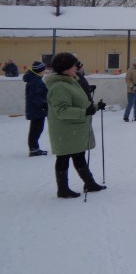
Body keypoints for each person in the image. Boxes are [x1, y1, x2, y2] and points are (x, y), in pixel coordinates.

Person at [45, 52, 107, 198]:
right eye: (73, 65)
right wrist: (85, 111)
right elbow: (61, 110)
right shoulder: (60, 86)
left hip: (73, 128)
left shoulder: (70, 81)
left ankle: (89, 183)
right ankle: (63, 189)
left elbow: (81, 103)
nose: (76, 67)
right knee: (63, 157)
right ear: (64, 68)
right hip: (65, 130)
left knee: (78, 156)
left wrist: (97, 106)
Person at [23, 61, 48, 156]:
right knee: (36, 130)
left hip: (37, 110)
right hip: (37, 110)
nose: (45, 71)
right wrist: (43, 104)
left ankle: (34, 148)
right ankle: (34, 149)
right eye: (43, 69)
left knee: (36, 129)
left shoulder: (36, 79)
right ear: (39, 71)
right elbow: (35, 97)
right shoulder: (35, 82)